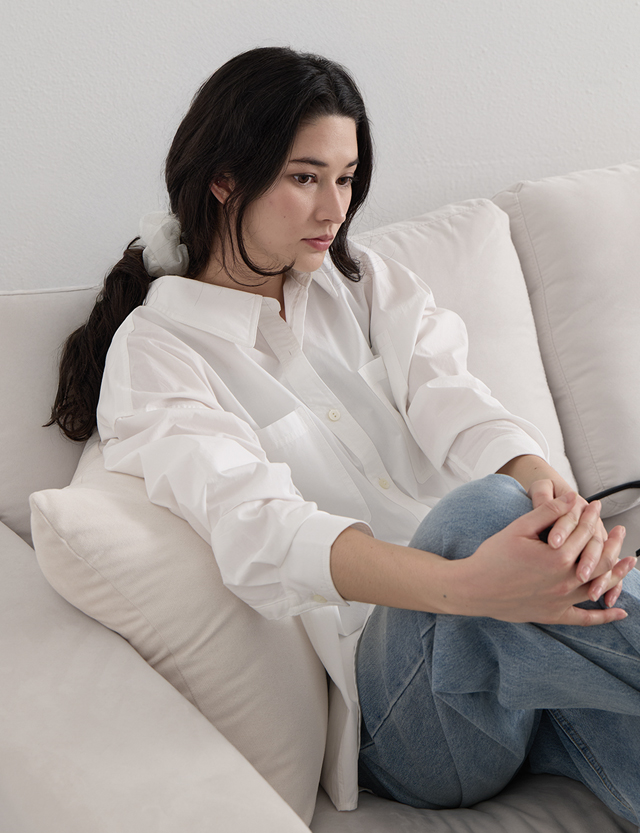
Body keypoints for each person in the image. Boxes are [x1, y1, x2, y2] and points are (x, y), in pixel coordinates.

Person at [48, 47, 640, 823]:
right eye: (305, 177)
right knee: (481, 511)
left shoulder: (359, 281)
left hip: (508, 649)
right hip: (406, 714)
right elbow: (262, 530)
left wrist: (557, 501)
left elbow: (452, 395)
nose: (334, 210)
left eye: (346, 177)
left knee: (528, 526)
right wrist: (471, 586)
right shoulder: (160, 353)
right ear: (225, 178)